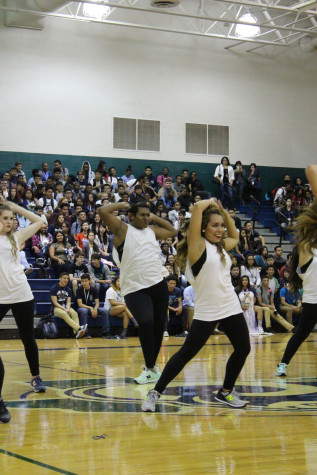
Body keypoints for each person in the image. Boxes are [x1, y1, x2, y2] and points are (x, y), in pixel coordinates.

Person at [142, 198, 250, 412]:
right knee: (186, 353)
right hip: (207, 309)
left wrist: (224, 213)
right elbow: (199, 207)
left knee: (243, 348)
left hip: (230, 304)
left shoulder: (220, 247)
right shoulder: (197, 245)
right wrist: (212, 203)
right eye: (214, 225)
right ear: (202, 228)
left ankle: (226, 391)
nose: (220, 230)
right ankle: (155, 392)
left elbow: (235, 236)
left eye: (221, 226)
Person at [98, 201, 176, 384]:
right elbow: (102, 211)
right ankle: (150, 368)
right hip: (134, 287)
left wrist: (153, 216)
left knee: (158, 326)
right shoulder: (122, 229)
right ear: (131, 215)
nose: (146, 218)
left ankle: (151, 368)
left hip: (157, 282)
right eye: (142, 215)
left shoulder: (152, 231)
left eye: (148, 215)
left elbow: (172, 231)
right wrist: (122, 205)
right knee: (146, 321)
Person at [0, 197, 46, 401]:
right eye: (5, 218)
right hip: (0, 297)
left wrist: (15, 207)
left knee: (28, 338)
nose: (9, 221)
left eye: (11, 218)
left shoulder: (15, 238)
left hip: (21, 293)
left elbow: (39, 221)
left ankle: (36, 376)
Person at [276, 165, 317, 377]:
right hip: (312, 300)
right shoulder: (306, 250)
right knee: (301, 333)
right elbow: (311, 168)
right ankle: (282, 363)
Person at [50, 272, 87, 338]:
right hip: (56, 308)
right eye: (64, 278)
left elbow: (68, 302)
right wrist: (65, 309)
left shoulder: (68, 289)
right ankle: (78, 328)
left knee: (74, 313)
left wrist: (67, 308)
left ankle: (76, 333)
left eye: (67, 278)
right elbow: (55, 303)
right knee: (65, 314)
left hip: (65, 307)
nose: (66, 280)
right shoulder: (54, 288)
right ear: (60, 279)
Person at [77, 274, 111, 338]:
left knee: (104, 311)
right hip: (82, 308)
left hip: (91, 308)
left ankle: (106, 332)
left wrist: (95, 309)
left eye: (86, 281)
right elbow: (80, 304)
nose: (84, 283)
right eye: (82, 281)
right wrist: (90, 308)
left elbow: (97, 303)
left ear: (89, 281)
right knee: (84, 311)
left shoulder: (94, 289)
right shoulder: (79, 290)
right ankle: (85, 333)